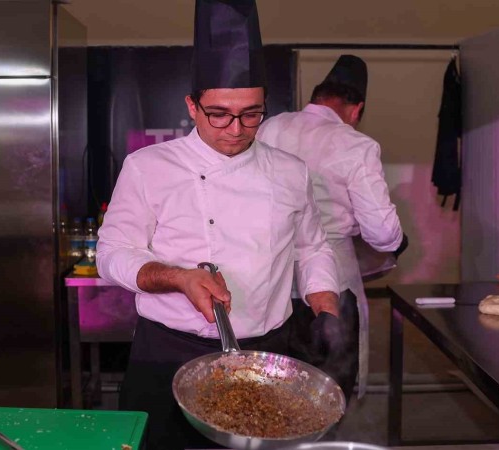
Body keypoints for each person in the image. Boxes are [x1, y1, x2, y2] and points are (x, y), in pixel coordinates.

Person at [96, 1, 340, 449]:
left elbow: (312, 248)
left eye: (251, 114)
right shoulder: (148, 166)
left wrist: (326, 308)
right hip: (169, 353)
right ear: (192, 106)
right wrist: (178, 277)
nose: (236, 128)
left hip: (267, 356)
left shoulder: (291, 170)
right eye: (219, 114)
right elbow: (111, 255)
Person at [258, 54, 407, 402]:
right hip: (332, 286)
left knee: (271, 392)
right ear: (356, 110)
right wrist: (398, 240)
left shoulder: (269, 128)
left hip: (269, 282)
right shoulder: (355, 145)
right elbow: (382, 233)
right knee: (326, 392)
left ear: (317, 97)